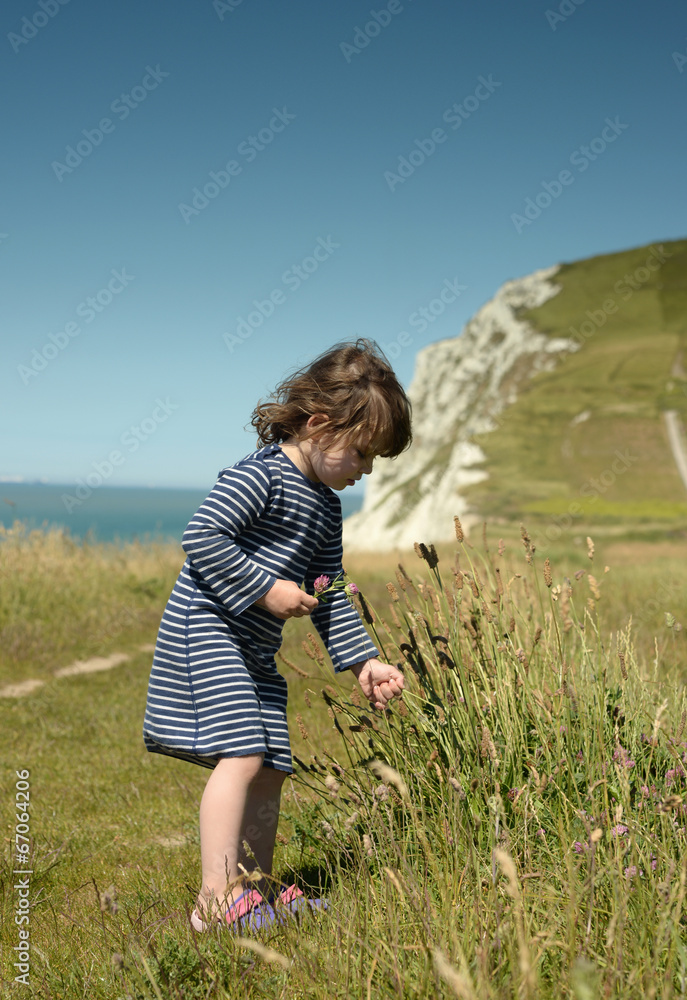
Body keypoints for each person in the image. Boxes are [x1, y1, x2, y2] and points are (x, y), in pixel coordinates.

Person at [142, 339, 412, 931]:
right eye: (363, 454)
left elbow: (329, 585)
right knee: (241, 753)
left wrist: (363, 662)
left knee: (271, 767)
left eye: (374, 463)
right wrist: (265, 588)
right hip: (208, 627)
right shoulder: (258, 477)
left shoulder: (325, 506)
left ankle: (253, 892)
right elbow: (202, 536)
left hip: (254, 646)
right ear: (319, 424)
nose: (365, 471)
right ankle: (216, 903)